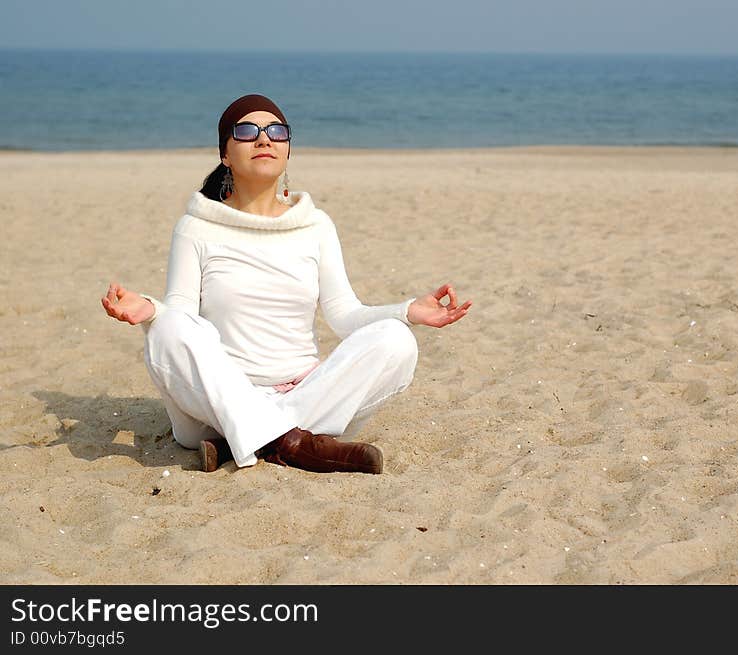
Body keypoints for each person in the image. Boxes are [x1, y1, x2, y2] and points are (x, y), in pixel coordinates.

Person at [101, 94, 471, 475]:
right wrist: (151, 310)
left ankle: (246, 439)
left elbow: (344, 315)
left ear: (288, 149)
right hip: (215, 405)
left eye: (276, 131)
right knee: (168, 328)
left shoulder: (315, 225)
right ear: (225, 154)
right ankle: (295, 444)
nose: (264, 139)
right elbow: (181, 317)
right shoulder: (197, 227)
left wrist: (407, 311)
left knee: (397, 340)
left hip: (306, 394)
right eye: (247, 131)